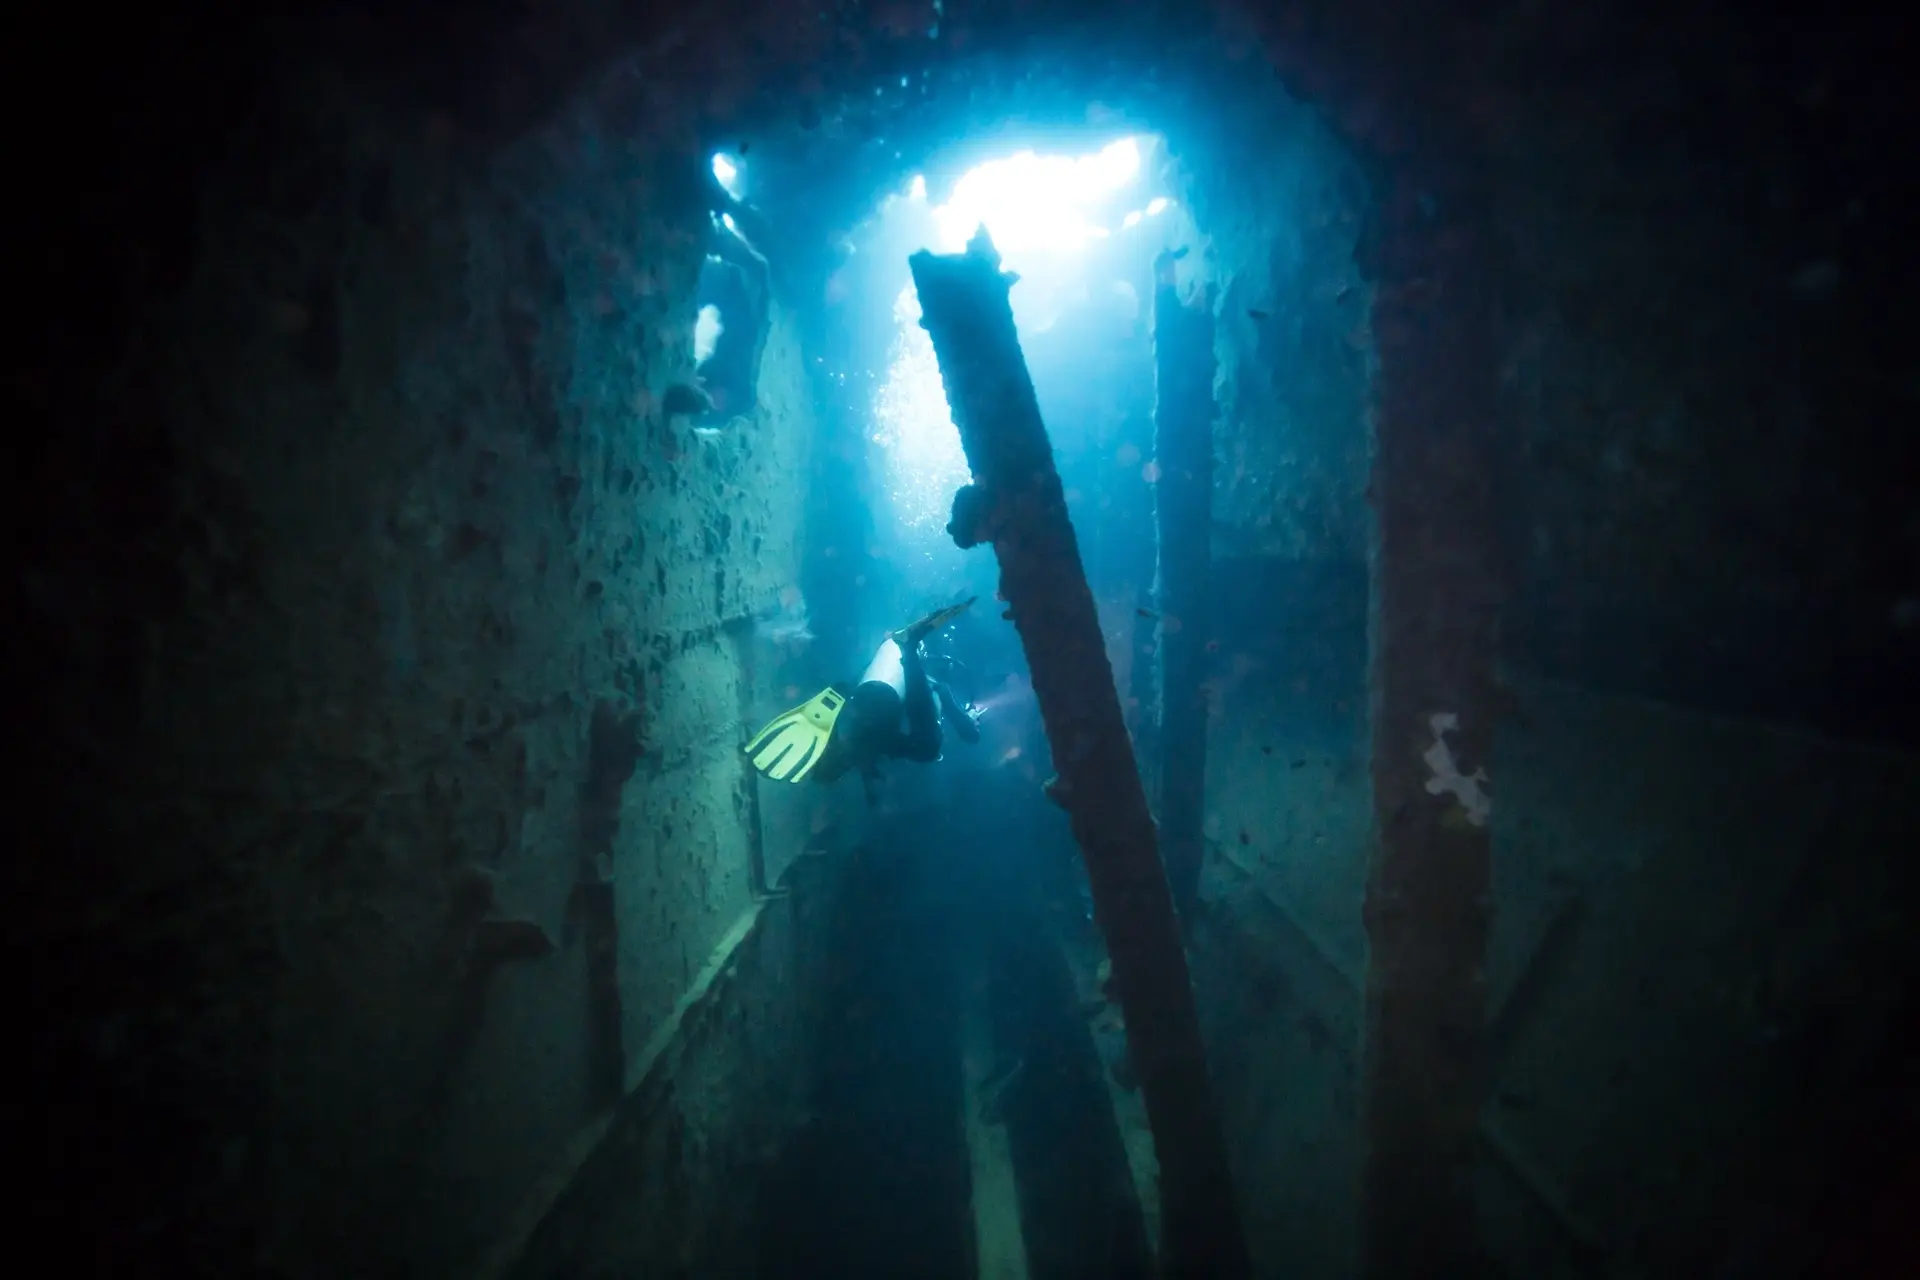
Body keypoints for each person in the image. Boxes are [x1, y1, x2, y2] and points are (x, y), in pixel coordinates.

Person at [744, 598, 983, 790]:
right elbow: (971, 735)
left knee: (857, 747)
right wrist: (969, 719)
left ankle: (839, 753)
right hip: (881, 707)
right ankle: (909, 647)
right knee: (928, 748)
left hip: (864, 704)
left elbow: (858, 679)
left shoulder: (883, 661)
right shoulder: (927, 677)